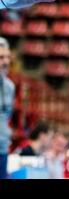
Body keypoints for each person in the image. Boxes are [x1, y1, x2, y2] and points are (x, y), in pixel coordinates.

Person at [0, 37, 15, 179]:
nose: (5, 62)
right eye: (1, 57)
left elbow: (7, 117)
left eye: (7, 57)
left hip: (2, 149)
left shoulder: (10, 87)